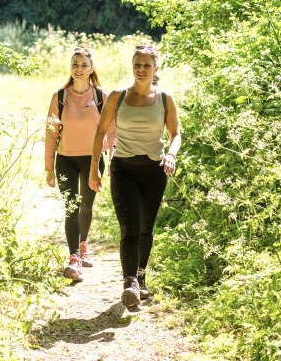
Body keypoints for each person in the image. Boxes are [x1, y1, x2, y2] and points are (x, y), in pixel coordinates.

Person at [88, 44, 181, 309]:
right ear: (132, 66)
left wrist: (171, 155)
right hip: (123, 167)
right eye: (137, 65)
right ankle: (130, 283)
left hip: (154, 169)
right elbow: (100, 132)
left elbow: (175, 134)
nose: (141, 70)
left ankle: (141, 277)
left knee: (145, 229)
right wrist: (95, 167)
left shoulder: (165, 99)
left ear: (156, 69)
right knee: (129, 227)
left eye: (146, 66)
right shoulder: (118, 96)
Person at [45, 45, 115, 282]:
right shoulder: (60, 97)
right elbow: (51, 134)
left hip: (93, 160)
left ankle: (83, 245)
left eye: (84, 65)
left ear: (91, 69)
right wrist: (48, 167)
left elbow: (113, 131)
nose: (78, 69)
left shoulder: (100, 97)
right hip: (65, 159)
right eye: (75, 64)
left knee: (86, 205)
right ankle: (73, 257)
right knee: (71, 206)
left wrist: (113, 159)